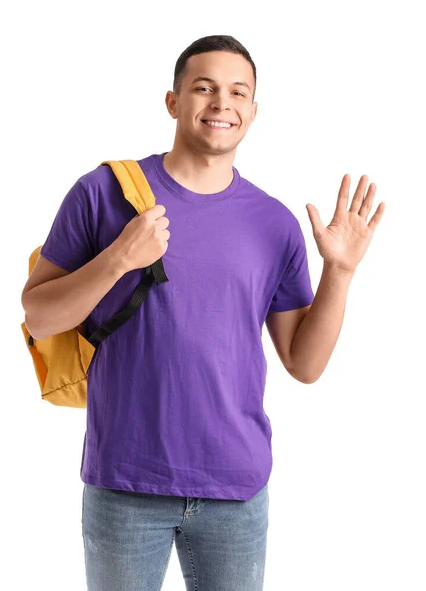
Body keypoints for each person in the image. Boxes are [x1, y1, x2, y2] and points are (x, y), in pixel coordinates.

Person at [21, 34, 385, 591]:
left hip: (235, 490)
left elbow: (304, 365)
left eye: (238, 92)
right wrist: (119, 257)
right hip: (125, 484)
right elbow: (39, 316)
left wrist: (340, 272)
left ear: (254, 112)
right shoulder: (102, 193)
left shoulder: (274, 223)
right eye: (205, 87)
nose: (222, 103)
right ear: (173, 101)